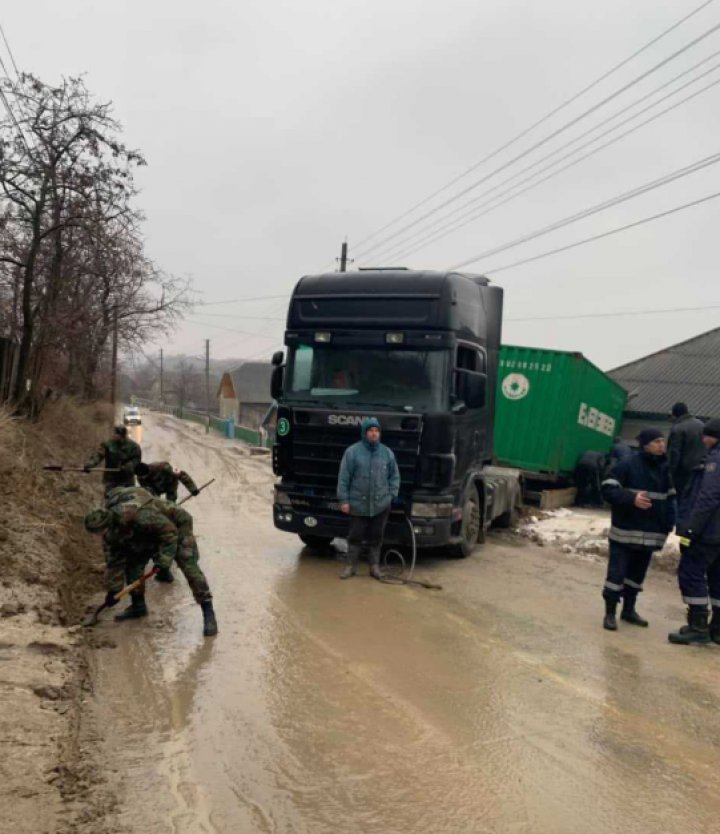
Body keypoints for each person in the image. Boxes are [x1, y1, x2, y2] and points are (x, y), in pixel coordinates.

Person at [83, 500, 218, 637]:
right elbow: (115, 561)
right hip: (147, 532)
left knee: (188, 564)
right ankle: (138, 606)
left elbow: (169, 533)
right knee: (133, 564)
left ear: (106, 525)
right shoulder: (111, 535)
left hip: (175, 524)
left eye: (97, 532)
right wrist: (114, 590)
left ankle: (208, 611)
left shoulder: (137, 516)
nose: (97, 536)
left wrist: (163, 560)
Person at [600, 428, 675, 631]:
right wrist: (631, 498)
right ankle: (610, 613)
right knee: (616, 575)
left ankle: (629, 610)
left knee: (636, 576)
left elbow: (670, 499)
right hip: (625, 533)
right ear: (646, 444)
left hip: (650, 535)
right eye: (657, 441)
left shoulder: (664, 468)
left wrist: (668, 524)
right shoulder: (627, 464)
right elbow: (607, 489)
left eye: (663, 441)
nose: (662, 445)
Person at [668, 418, 720, 645]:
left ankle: (698, 626)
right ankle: (716, 629)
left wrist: (691, 529)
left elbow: (707, 498)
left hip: (708, 532)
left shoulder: (715, 461)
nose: (703, 440)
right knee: (718, 577)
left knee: (691, 571)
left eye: (706, 436)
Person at [337, 417, 400, 580]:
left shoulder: (387, 453)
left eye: (376, 431)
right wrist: (344, 500)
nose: (374, 433)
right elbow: (344, 478)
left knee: (376, 538)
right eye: (371, 431)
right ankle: (350, 567)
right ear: (364, 433)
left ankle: (374, 568)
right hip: (358, 505)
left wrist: (391, 495)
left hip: (380, 505)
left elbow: (395, 477)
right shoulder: (352, 452)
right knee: (355, 537)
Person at [84, 425, 141, 496]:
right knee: (110, 499)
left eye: (117, 434)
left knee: (127, 500)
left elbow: (136, 461)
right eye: (114, 433)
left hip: (127, 480)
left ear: (123, 436)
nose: (114, 436)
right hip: (111, 479)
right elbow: (98, 455)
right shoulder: (108, 445)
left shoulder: (134, 447)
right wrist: (90, 464)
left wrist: (127, 467)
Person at [667, 402, 705, 498]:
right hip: (700, 470)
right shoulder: (701, 425)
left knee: (678, 499)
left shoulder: (677, 429)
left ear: (675, 414)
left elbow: (674, 454)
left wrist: (669, 473)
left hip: (682, 473)